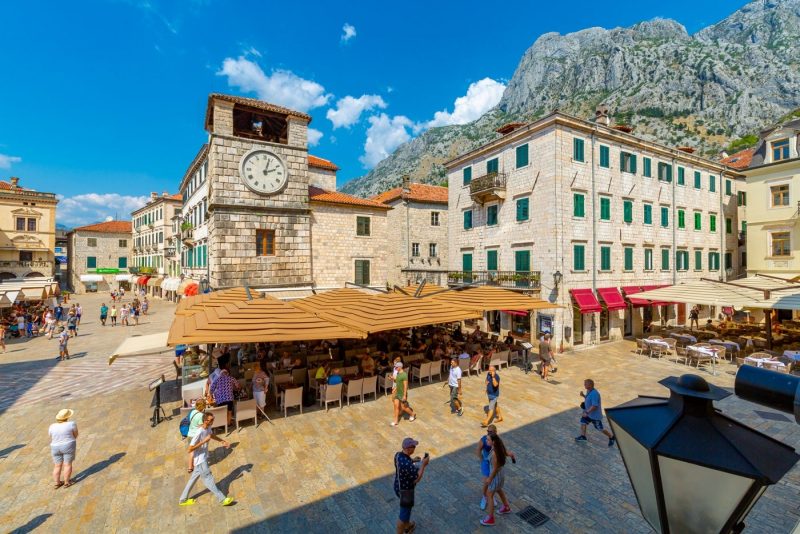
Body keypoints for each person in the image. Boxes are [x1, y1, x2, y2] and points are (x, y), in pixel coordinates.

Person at [178, 413, 234, 507]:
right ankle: (222, 499)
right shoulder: (199, 432)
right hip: (200, 460)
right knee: (209, 479)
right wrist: (203, 441)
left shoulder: (208, 427)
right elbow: (190, 449)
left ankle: (182, 500)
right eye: (211, 419)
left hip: (202, 459)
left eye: (213, 419)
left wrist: (221, 441)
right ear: (206, 421)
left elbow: (211, 435)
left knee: (192, 479)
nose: (213, 421)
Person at [393, 437, 429, 534]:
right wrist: (423, 465)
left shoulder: (398, 455)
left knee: (406, 512)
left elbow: (403, 464)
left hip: (397, 486)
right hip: (406, 492)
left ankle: (408, 526)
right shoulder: (408, 466)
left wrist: (412, 460)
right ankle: (403, 529)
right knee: (404, 514)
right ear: (408, 449)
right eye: (413, 446)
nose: (415, 448)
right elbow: (417, 478)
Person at [480, 432, 513, 526]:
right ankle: (506, 507)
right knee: (499, 490)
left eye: (488, 439)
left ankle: (490, 518)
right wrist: (510, 455)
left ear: (493, 442)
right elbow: (505, 454)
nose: (486, 441)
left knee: (489, 495)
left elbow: (495, 468)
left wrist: (490, 478)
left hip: (495, 476)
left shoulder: (494, 453)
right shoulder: (498, 447)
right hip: (500, 475)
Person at [575, 379, 616, 446]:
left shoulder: (595, 394)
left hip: (594, 416)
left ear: (590, 385)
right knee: (583, 422)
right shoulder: (589, 390)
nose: (584, 385)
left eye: (585, 384)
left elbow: (595, 406)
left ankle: (611, 437)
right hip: (588, 414)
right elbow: (589, 399)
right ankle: (583, 437)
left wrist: (587, 412)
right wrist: (583, 395)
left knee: (600, 428)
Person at [49, 408, 78, 488]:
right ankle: (66, 482)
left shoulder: (52, 426)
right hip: (68, 445)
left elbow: (51, 436)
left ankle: (57, 482)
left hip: (55, 446)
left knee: (57, 465)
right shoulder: (71, 424)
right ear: (67, 417)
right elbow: (75, 434)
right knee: (67, 464)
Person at [185, 399, 206, 473]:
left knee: (192, 451)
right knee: (195, 451)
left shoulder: (193, 411)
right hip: (195, 436)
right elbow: (201, 427)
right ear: (203, 407)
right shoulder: (201, 415)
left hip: (189, 434)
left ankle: (190, 466)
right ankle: (194, 466)